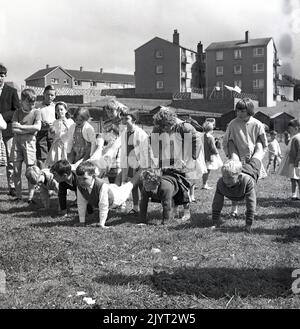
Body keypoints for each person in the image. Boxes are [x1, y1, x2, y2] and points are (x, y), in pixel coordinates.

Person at [151, 107, 205, 220]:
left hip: (184, 161)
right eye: (161, 126)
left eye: (165, 125)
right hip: (167, 162)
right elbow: (155, 147)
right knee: (169, 185)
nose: (163, 128)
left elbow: (197, 141)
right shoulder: (157, 129)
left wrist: (191, 159)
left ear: (171, 121)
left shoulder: (184, 127)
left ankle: (186, 212)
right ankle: (172, 210)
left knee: (184, 187)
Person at [222, 98, 267, 217]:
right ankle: (234, 209)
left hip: (252, 158)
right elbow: (226, 140)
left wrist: (259, 156)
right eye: (237, 111)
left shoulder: (257, 124)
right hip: (237, 158)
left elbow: (263, 142)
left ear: (249, 110)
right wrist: (230, 155)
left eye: (242, 111)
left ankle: (250, 209)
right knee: (235, 183)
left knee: (249, 184)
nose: (239, 114)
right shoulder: (233, 123)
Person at [211, 141, 265, 234]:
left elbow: (251, 204)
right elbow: (217, 202)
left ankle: (258, 140)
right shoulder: (221, 182)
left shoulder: (247, 182)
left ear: (239, 177)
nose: (226, 181)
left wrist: (248, 224)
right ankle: (231, 141)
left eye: (229, 178)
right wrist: (215, 222)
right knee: (234, 157)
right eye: (224, 177)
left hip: (251, 170)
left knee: (258, 154)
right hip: (236, 170)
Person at [75, 161, 142, 228]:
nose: (81, 182)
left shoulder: (101, 186)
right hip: (110, 188)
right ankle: (127, 167)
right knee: (116, 183)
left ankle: (143, 169)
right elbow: (81, 204)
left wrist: (101, 224)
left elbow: (103, 205)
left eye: (84, 178)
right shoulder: (80, 186)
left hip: (117, 197)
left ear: (93, 176)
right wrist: (82, 222)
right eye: (79, 178)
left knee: (130, 184)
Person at [11, 88, 41, 203]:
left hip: (30, 144)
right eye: (29, 102)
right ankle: (19, 196)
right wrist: (30, 130)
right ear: (22, 101)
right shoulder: (17, 112)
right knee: (16, 170)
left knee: (31, 170)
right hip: (17, 143)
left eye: (33, 102)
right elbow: (14, 128)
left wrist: (21, 127)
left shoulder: (36, 112)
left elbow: (37, 128)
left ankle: (30, 197)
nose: (32, 104)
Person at [120, 110, 150, 215]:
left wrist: (144, 164)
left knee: (142, 185)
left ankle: (143, 207)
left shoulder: (141, 133)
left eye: (127, 118)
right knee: (132, 185)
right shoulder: (124, 132)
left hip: (139, 162)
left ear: (134, 120)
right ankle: (135, 207)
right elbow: (123, 149)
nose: (124, 121)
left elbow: (145, 149)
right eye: (123, 118)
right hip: (129, 162)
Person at [0, 63, 20, 196]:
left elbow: (16, 110)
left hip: (7, 131)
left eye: (2, 75)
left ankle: (12, 186)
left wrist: (1, 116)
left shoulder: (11, 91)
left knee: (10, 159)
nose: (0, 78)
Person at [45, 102, 74, 167]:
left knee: (66, 161)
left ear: (66, 110)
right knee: (56, 161)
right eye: (57, 110)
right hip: (57, 145)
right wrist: (51, 131)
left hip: (66, 145)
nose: (59, 111)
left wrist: (66, 125)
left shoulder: (70, 121)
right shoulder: (55, 122)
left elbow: (72, 132)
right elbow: (52, 136)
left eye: (61, 109)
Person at [278, 119, 300, 200]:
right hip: (292, 161)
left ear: (296, 128)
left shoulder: (297, 137)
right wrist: (286, 137)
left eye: (290, 130)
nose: (289, 131)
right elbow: (288, 144)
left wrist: (297, 161)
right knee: (293, 178)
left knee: (298, 179)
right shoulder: (293, 137)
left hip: (296, 162)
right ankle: (294, 195)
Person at [36, 85, 56, 169]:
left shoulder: (56, 107)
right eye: (47, 94)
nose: (49, 97)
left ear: (55, 96)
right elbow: (34, 120)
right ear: (43, 94)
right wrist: (41, 122)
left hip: (53, 134)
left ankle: (52, 178)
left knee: (53, 156)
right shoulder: (37, 107)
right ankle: (42, 177)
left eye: (52, 95)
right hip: (41, 135)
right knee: (41, 157)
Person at [201, 121, 223, 190]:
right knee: (207, 171)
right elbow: (212, 147)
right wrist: (217, 153)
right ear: (211, 129)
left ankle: (204, 183)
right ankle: (204, 184)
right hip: (209, 156)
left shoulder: (203, 136)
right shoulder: (210, 137)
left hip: (204, 155)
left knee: (205, 170)